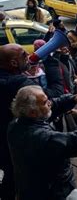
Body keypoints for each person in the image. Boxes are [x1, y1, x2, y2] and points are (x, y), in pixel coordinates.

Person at [7, 85, 77, 200]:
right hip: (52, 193)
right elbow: (76, 141)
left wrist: (74, 98)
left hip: (29, 189)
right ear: (32, 112)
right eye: (45, 102)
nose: (50, 103)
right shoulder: (41, 137)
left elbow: (53, 105)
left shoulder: (18, 122)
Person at [0, 44, 35, 200]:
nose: (28, 53)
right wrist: (54, 65)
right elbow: (49, 100)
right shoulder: (20, 83)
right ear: (13, 63)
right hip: (15, 143)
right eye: (23, 54)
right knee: (14, 177)